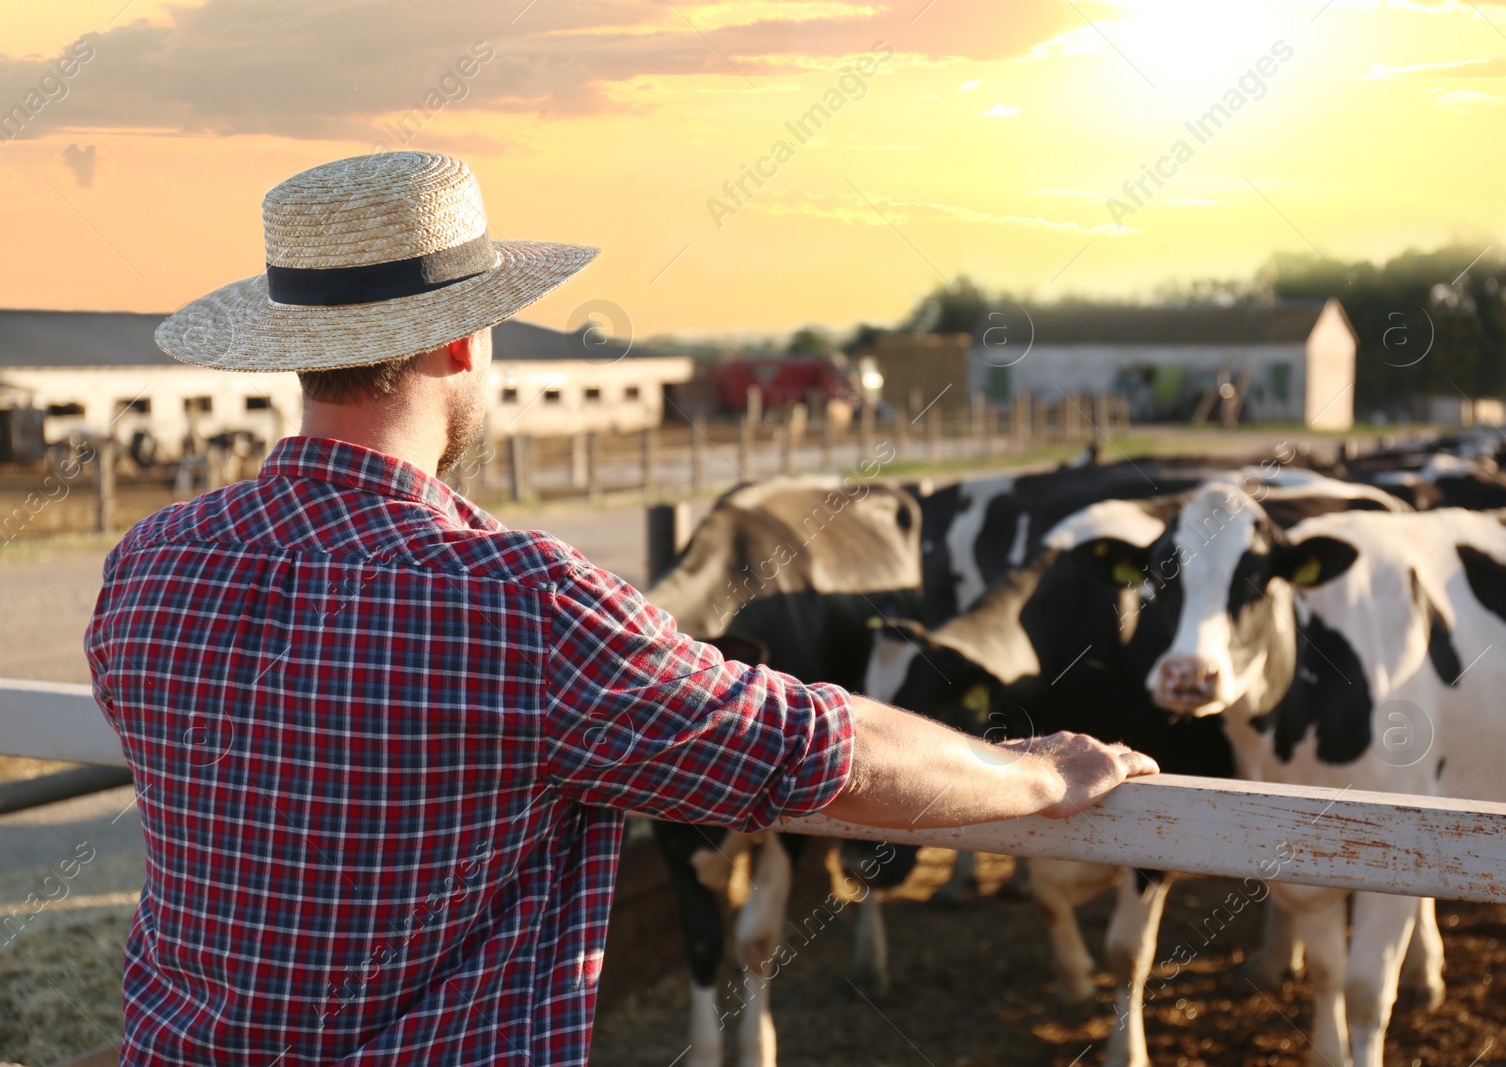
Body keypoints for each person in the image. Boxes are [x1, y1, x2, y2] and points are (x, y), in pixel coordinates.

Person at [86, 151, 1158, 1067]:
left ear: (296, 350)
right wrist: (1037, 771)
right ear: (463, 342)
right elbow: (817, 749)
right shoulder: (521, 603)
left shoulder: (150, 565)